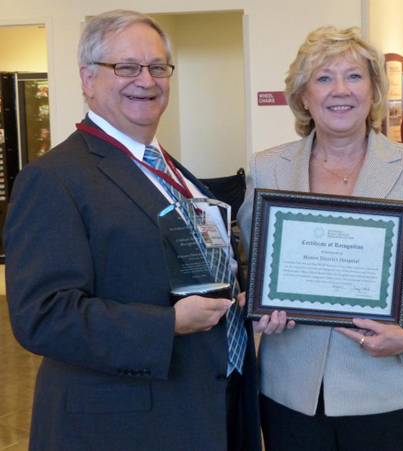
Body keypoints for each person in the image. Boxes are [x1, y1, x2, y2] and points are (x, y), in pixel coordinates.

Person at [3, 10, 261, 451]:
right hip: (125, 424)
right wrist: (169, 325)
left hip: (210, 403)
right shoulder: (54, 178)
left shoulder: (172, 172)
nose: (146, 80)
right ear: (87, 78)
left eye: (158, 67)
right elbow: (42, 317)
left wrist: (242, 294)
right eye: (126, 67)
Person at [237, 26, 403, 451]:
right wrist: (256, 309)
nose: (339, 90)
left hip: (391, 393)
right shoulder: (267, 168)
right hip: (291, 396)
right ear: (304, 95)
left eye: (354, 76)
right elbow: (257, 277)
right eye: (323, 78)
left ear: (374, 90)